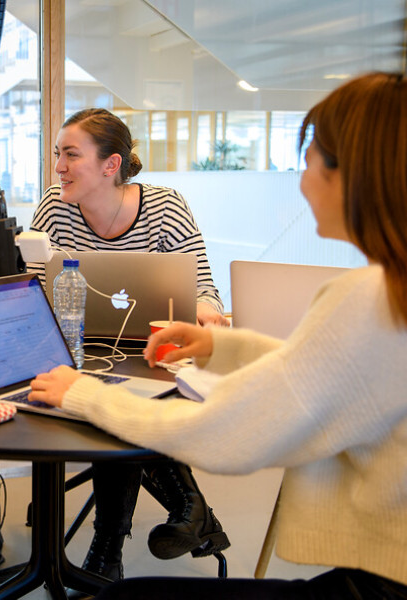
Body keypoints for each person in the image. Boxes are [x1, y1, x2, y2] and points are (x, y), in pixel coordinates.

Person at [29, 72, 407, 599]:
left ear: (358, 175)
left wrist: (84, 394)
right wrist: (219, 346)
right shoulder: (387, 292)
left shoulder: (368, 298)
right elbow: (319, 367)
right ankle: (181, 514)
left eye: (311, 160)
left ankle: (142, 534)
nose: (300, 182)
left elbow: (229, 429)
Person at [28, 108, 229, 585]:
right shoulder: (54, 209)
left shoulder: (165, 208)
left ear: (110, 165)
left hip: (151, 354)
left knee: (118, 399)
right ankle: (188, 506)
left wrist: (205, 313)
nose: (58, 166)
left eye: (71, 154)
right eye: (58, 153)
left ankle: (108, 545)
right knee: (109, 396)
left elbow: (203, 287)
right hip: (77, 350)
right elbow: (29, 286)